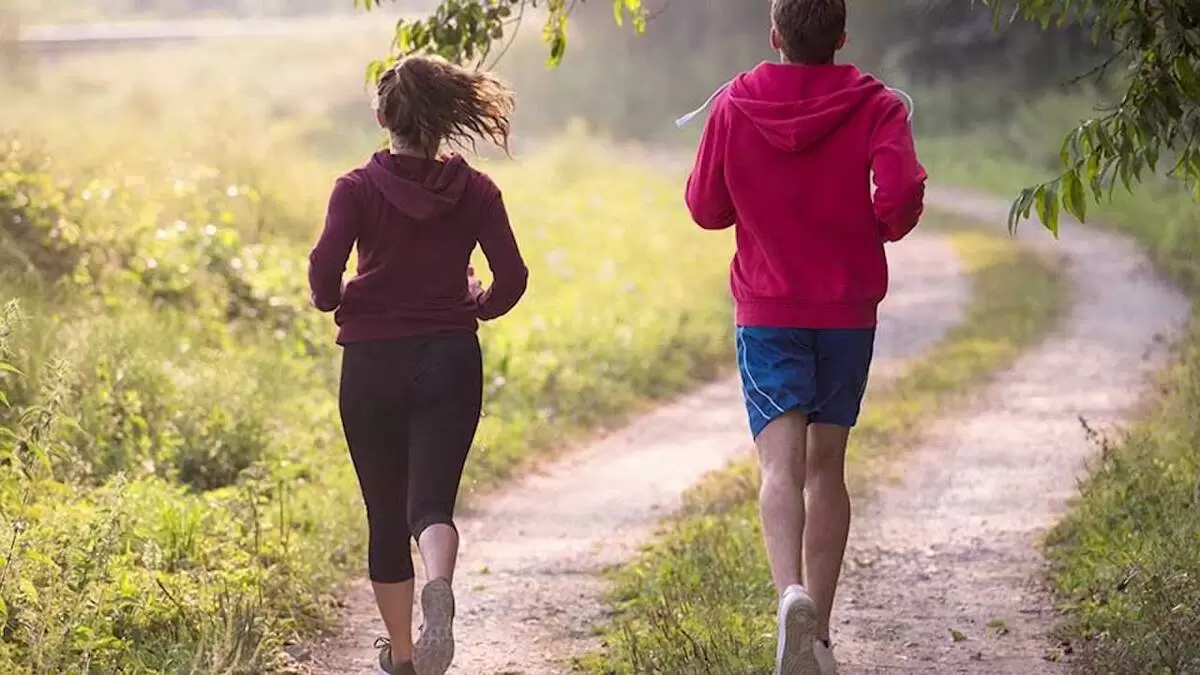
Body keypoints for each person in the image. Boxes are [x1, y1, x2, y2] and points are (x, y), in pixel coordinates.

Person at [682, 0, 927, 673]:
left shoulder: (735, 105)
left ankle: (790, 593)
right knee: (827, 468)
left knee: (780, 466)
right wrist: (874, 228)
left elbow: (705, 207)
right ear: (842, 38)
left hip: (767, 309)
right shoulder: (877, 105)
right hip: (846, 310)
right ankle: (817, 630)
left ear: (775, 35)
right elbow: (901, 192)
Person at [307, 55, 529, 675]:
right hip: (451, 357)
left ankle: (404, 657)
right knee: (431, 505)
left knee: (384, 514)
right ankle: (441, 583)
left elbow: (324, 278)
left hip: (372, 360)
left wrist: (341, 299)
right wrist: (478, 304)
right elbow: (513, 277)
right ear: (444, 119)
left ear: (382, 117)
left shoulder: (354, 189)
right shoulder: (478, 191)